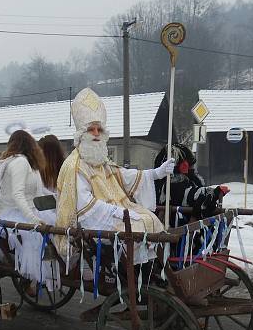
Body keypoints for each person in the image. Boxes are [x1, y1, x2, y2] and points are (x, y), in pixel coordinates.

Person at [54, 88, 174, 264]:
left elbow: (123, 175)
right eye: (91, 129)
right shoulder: (75, 165)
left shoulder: (101, 160)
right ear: (81, 134)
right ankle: (131, 270)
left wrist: (156, 173)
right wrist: (117, 211)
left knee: (151, 219)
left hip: (116, 211)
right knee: (137, 227)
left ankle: (148, 268)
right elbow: (83, 204)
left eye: (99, 129)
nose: (96, 133)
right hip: (91, 218)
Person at [0, 130, 57, 290]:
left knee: (56, 225)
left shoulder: (30, 164)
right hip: (12, 213)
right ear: (30, 144)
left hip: (28, 209)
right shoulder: (19, 163)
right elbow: (17, 194)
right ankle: (31, 278)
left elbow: (39, 193)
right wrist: (33, 219)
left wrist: (59, 198)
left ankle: (40, 275)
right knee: (36, 235)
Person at [154, 143, 229, 226]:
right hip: (174, 227)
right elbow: (189, 194)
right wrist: (214, 192)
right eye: (188, 164)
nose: (191, 167)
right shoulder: (171, 184)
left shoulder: (188, 180)